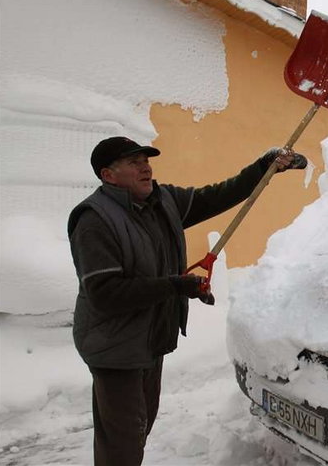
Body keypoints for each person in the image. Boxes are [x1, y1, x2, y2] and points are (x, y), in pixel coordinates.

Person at [67, 136, 306, 466]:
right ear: (108, 175)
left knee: (139, 425)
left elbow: (217, 195)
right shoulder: (95, 221)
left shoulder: (162, 201)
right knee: (123, 436)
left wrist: (263, 168)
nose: (145, 167)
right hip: (114, 344)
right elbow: (105, 293)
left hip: (148, 338)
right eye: (133, 162)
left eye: (146, 160)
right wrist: (176, 286)